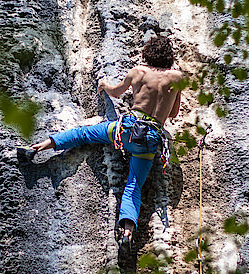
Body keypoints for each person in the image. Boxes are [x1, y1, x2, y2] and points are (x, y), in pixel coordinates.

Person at [23, 36, 183, 257]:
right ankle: (127, 233)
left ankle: (38, 147)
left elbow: (116, 92)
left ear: (146, 55)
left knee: (84, 133)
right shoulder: (176, 78)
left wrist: (104, 85)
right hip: (149, 140)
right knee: (133, 186)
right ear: (169, 58)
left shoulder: (138, 72)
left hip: (126, 130)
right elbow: (173, 114)